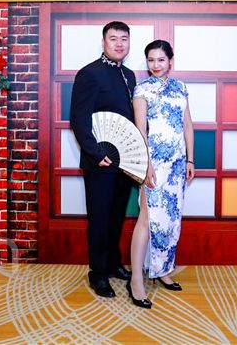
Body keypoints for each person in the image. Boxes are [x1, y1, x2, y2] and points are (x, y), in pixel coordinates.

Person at [69, 21, 137, 298]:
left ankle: (112, 262)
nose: (119, 44)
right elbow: (79, 118)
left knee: (116, 215)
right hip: (100, 160)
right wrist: (96, 154)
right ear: (103, 42)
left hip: (125, 160)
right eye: (113, 39)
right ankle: (98, 273)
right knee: (99, 216)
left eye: (124, 39)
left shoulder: (129, 75)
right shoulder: (89, 73)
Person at [128, 39, 194, 309]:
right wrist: (146, 165)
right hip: (153, 163)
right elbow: (140, 130)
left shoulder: (181, 88)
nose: (155, 65)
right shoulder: (142, 89)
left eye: (161, 60)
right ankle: (136, 281)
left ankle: (163, 270)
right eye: (151, 60)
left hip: (177, 164)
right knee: (146, 219)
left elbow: (187, 125)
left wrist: (190, 159)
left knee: (170, 218)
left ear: (170, 61)